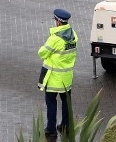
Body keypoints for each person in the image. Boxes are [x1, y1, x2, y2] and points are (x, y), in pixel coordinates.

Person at [38, 8, 77, 140]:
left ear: (59, 22)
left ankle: (51, 130)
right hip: (66, 79)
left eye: (55, 20)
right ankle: (65, 126)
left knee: (51, 104)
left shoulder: (55, 39)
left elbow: (42, 53)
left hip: (54, 79)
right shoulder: (73, 35)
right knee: (66, 103)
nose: (55, 22)